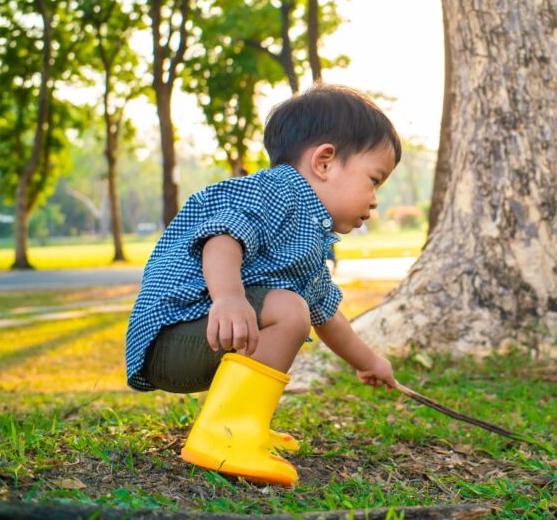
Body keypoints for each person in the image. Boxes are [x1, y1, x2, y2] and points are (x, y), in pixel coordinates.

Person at [124, 85, 402, 487]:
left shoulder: (309, 236)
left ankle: (244, 424)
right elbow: (222, 238)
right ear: (324, 162)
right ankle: (225, 437)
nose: (375, 200)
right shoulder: (274, 191)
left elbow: (327, 315)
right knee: (288, 310)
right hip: (172, 337)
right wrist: (229, 298)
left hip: (206, 337)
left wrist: (369, 362)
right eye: (374, 180)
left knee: (296, 308)